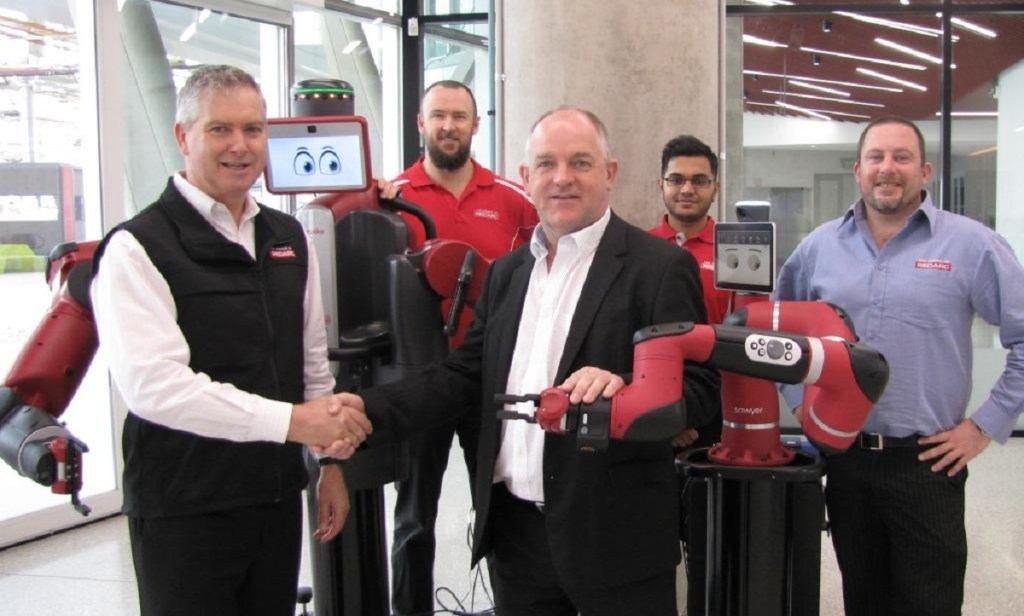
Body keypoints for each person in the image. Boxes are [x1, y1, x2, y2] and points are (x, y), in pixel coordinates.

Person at [340, 106, 720, 615]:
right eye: (545, 164)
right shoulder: (506, 274)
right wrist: (364, 411)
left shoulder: (658, 267)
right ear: (526, 178)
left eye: (580, 163)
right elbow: (461, 376)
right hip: (517, 538)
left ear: (609, 173)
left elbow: (699, 388)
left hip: (615, 536)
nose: (561, 178)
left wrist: (626, 386)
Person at [90, 64, 371, 616]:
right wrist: (292, 423)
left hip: (271, 498)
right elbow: (156, 388)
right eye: (220, 129)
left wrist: (328, 465)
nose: (240, 146)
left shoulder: (287, 237)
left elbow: (311, 365)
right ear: (182, 136)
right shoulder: (137, 247)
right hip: (184, 506)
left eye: (253, 129)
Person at [774, 115, 1024, 615]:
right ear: (858, 170)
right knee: (862, 600)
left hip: (928, 463)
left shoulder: (971, 245)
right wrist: (801, 405)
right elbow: (780, 333)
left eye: (902, 157)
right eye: (877, 157)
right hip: (847, 462)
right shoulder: (819, 248)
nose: (888, 169)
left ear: (925, 171)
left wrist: (982, 427)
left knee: (929, 603)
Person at [377, 80, 539, 616]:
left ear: (475, 125)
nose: (449, 126)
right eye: (438, 116)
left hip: (489, 379)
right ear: (420, 124)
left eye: (459, 116)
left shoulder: (514, 204)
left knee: (499, 508)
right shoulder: (391, 199)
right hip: (420, 379)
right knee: (414, 517)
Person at [647, 134, 728, 615]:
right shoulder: (636, 250)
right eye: (676, 179)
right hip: (652, 417)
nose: (687, 189)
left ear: (715, 187)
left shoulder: (738, 252)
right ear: (661, 185)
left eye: (699, 180)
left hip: (716, 416)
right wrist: (667, 418)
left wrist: (696, 412)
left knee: (707, 533)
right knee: (654, 531)